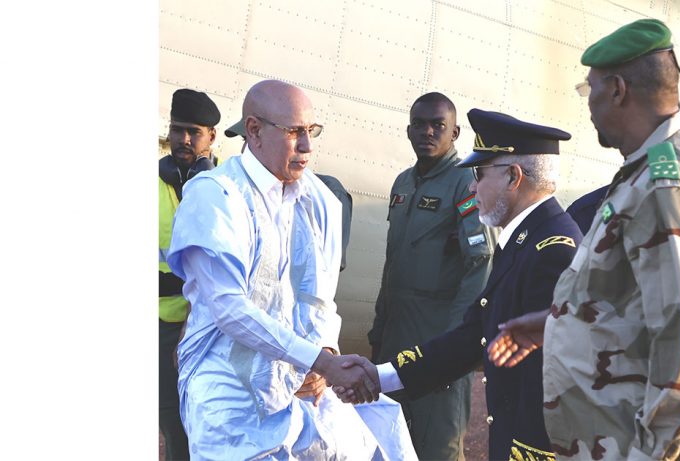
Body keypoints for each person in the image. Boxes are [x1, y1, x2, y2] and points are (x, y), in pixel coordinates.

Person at [489, 19, 680, 460]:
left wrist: (652, 454)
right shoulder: (651, 168)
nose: (588, 106)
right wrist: (559, 322)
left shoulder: (666, 186)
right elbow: (639, 302)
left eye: (590, 90)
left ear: (618, 90)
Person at [166, 79, 413, 459]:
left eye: (311, 131)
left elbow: (320, 298)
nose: (307, 146)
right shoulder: (215, 195)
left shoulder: (319, 200)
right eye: (295, 132)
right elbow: (229, 308)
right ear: (254, 130)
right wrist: (322, 361)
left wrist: (324, 350)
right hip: (229, 396)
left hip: (302, 389)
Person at [353, 108, 581, 461]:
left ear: (513, 176)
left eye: (480, 173)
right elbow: (474, 335)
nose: (473, 186)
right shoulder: (523, 240)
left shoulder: (552, 249)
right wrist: (380, 376)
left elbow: (548, 375)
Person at [367, 93, 498, 460]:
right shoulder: (403, 184)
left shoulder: (465, 184)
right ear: (408, 130)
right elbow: (393, 264)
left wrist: (456, 343)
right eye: (419, 124)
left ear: (454, 133)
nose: (427, 132)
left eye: (438, 125)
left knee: (438, 445)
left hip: (436, 342)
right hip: (395, 340)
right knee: (387, 442)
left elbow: (481, 261)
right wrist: (379, 332)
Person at [158, 88, 220, 461]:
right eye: (177, 129)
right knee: (171, 419)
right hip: (163, 325)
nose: (183, 139)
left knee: (208, 420)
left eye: (193, 132)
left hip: (210, 327)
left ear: (211, 137)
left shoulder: (225, 188)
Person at [225, 119, 355, 272]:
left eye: (254, 139)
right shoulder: (237, 191)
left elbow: (328, 266)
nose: (245, 151)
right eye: (245, 140)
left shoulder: (328, 193)